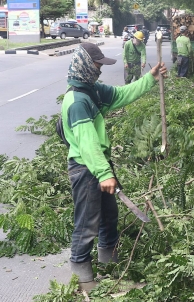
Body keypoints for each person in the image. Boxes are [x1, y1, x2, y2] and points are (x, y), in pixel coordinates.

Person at [61, 43, 167, 291]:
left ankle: (110, 269)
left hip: (98, 167)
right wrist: (105, 173)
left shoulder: (93, 91)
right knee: (86, 223)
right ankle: (84, 279)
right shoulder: (77, 101)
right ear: (85, 65)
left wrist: (150, 78)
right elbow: (87, 143)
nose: (99, 70)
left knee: (109, 218)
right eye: (97, 65)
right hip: (86, 169)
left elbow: (122, 94)